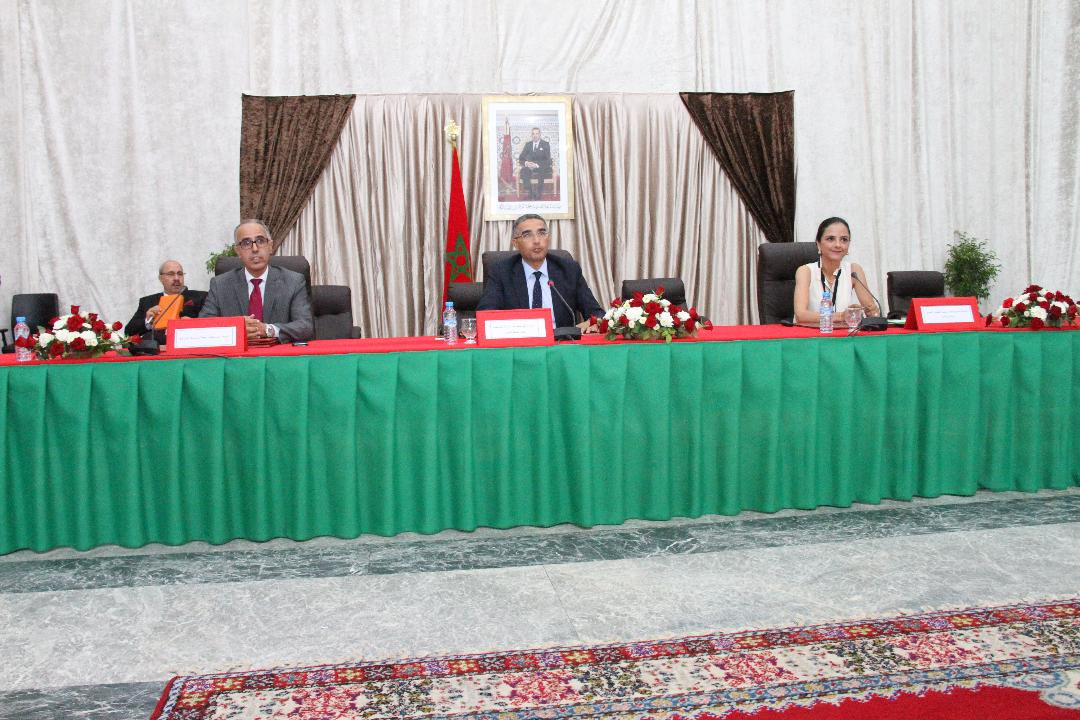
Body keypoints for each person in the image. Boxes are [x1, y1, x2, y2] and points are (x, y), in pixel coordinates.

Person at [477, 214, 603, 332]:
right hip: (520, 342)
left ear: (548, 238)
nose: (537, 240)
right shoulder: (501, 272)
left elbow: (596, 312)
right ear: (515, 243)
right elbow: (485, 315)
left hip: (561, 342)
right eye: (527, 235)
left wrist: (592, 322)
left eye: (542, 233)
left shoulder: (569, 270)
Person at [200, 219, 314, 343]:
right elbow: (203, 326)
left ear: (270, 246)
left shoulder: (293, 281)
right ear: (238, 251)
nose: (255, 249)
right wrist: (236, 328)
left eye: (260, 241)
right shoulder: (220, 284)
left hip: (277, 353)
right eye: (246, 243)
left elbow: (305, 327)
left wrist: (268, 330)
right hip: (237, 354)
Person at [793, 217, 880, 326]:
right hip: (810, 334)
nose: (838, 245)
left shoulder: (854, 270)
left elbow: (871, 311)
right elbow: (801, 315)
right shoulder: (806, 271)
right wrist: (841, 316)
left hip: (843, 335)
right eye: (830, 239)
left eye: (844, 239)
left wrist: (867, 312)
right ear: (818, 244)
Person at [124, 260, 207, 339]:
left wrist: (194, 324)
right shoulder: (147, 301)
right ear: (161, 278)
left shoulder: (201, 297)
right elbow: (128, 332)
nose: (177, 278)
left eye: (180, 274)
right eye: (171, 274)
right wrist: (148, 321)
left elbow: (211, 324)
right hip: (158, 346)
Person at [517, 127, 552, 201]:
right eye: (533, 134)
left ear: (540, 134)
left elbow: (548, 160)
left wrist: (536, 165)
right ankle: (530, 192)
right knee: (524, 170)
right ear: (531, 135)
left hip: (541, 166)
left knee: (542, 170)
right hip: (529, 166)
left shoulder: (545, 144)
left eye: (537, 133)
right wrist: (527, 163)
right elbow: (521, 158)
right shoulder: (528, 144)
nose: (535, 135)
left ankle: (539, 193)